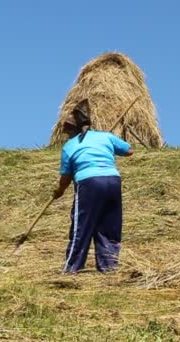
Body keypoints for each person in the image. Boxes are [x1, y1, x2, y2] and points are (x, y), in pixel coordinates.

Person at [53, 103, 134, 274]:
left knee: (81, 227)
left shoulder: (69, 147)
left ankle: (71, 269)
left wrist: (59, 191)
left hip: (89, 184)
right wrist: (110, 145)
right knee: (109, 225)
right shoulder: (105, 137)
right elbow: (129, 151)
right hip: (113, 181)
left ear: (72, 130)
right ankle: (109, 268)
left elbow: (66, 178)